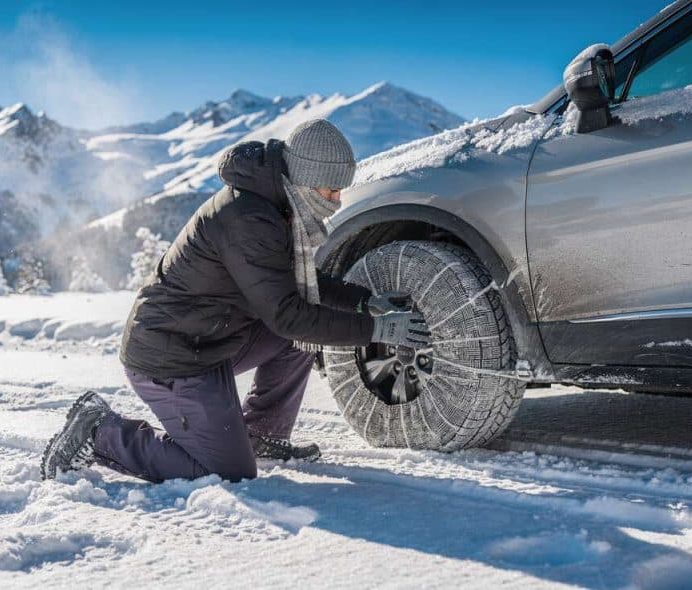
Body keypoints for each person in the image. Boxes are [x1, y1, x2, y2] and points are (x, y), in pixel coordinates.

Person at [41, 119, 430, 483]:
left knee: (303, 338)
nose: (337, 199)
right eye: (330, 190)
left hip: (209, 340)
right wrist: (374, 329)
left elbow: (300, 286)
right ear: (305, 179)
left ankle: (261, 434)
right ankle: (99, 432)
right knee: (227, 472)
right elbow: (289, 316)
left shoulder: (278, 205)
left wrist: (365, 302)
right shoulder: (250, 219)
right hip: (171, 354)